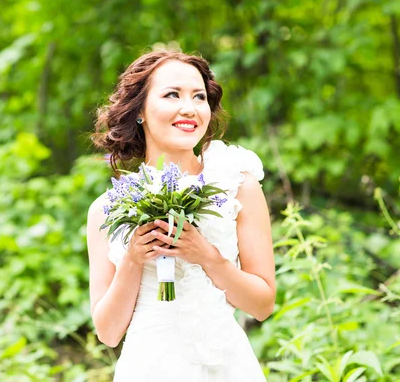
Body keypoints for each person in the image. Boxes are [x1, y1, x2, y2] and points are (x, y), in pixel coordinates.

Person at [87, 50, 275, 381]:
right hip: (148, 367)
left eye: (199, 97)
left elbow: (262, 305)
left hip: (224, 366)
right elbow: (108, 333)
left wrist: (207, 257)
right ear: (141, 111)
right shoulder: (107, 208)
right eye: (172, 94)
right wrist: (133, 259)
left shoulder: (237, 185)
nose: (189, 107)